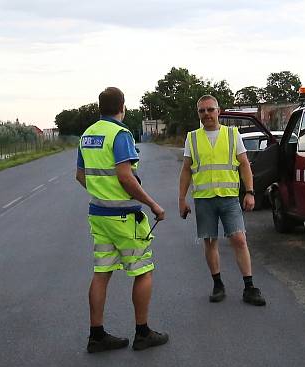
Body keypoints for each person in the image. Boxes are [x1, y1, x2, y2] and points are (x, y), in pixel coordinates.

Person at [76, 87, 169, 353]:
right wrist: (153, 204)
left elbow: (80, 176)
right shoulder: (121, 133)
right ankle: (142, 333)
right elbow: (126, 177)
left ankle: (96, 335)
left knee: (101, 273)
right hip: (124, 217)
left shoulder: (88, 134)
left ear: (99, 107)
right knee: (143, 271)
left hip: (99, 215)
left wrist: (101, 193)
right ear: (122, 106)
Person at [178, 95, 266, 306]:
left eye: (210, 109)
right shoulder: (192, 138)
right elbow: (186, 170)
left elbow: (244, 164)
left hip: (228, 198)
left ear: (219, 111)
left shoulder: (232, 134)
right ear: (198, 114)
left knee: (239, 240)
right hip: (204, 199)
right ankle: (218, 284)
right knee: (210, 241)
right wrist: (181, 199)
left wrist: (250, 192)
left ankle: (249, 286)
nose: (206, 114)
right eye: (202, 111)